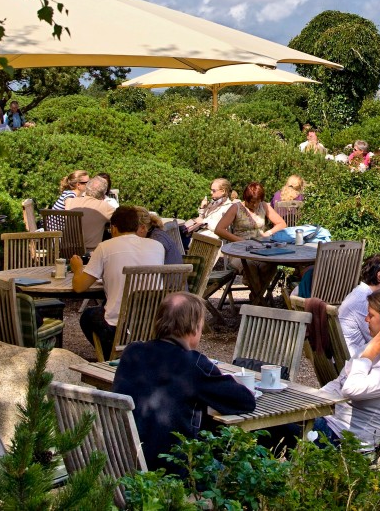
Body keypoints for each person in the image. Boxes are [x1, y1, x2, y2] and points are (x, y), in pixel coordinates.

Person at [113, 293, 255, 471]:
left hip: (124, 462)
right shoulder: (194, 363)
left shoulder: (132, 352)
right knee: (243, 471)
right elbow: (245, 401)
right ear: (195, 327)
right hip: (174, 470)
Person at [316, 285, 380, 453]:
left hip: (344, 443)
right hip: (327, 424)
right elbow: (339, 382)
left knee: (269, 426)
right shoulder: (377, 347)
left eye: (371, 315)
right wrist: (306, 402)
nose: (366, 319)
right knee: (269, 417)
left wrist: (369, 353)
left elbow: (350, 389)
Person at [72, 206, 166, 358]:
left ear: (113, 228)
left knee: (89, 315)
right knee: (105, 306)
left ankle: (113, 357)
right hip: (152, 322)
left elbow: (79, 287)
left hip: (118, 326)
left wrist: (77, 269)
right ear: (137, 226)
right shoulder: (157, 247)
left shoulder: (105, 247)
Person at [214, 182, 288, 302]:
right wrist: (239, 241)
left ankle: (255, 298)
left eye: (257, 201)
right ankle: (258, 300)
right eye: (251, 201)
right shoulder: (236, 208)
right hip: (239, 251)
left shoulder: (263, 206)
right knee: (250, 264)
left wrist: (268, 233)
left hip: (260, 249)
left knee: (271, 263)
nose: (254, 204)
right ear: (245, 199)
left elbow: (282, 223)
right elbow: (219, 229)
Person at [68, 175, 117, 252]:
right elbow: (122, 221)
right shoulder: (105, 207)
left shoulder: (70, 201)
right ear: (104, 193)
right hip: (89, 253)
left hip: (66, 249)